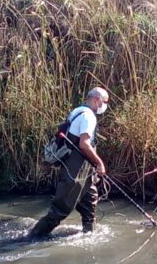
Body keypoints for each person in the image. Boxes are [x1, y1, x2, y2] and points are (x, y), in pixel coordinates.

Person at [29, 87, 109, 237]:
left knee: (89, 202)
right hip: (75, 171)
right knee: (60, 210)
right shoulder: (88, 117)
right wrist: (99, 163)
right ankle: (29, 239)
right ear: (96, 99)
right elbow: (84, 144)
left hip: (83, 171)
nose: (105, 106)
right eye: (104, 102)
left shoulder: (77, 111)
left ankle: (89, 235)